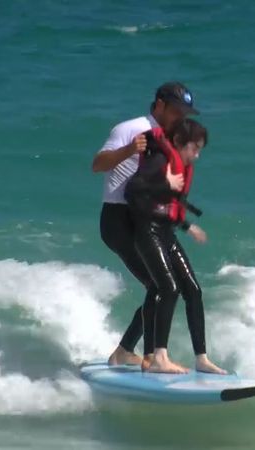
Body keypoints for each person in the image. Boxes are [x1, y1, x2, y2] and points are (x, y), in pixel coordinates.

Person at [92, 82, 199, 366]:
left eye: (185, 113)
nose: (181, 117)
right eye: (176, 111)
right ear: (160, 105)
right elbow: (98, 164)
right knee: (160, 285)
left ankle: (129, 351)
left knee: (165, 286)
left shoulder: (172, 138)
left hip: (148, 220)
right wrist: (129, 150)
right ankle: (147, 356)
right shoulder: (130, 128)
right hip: (118, 218)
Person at [124, 118, 226, 374]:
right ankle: (159, 357)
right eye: (194, 148)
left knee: (192, 290)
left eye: (200, 149)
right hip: (147, 233)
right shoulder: (159, 160)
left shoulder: (178, 163)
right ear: (179, 143)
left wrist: (187, 226)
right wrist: (164, 184)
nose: (197, 155)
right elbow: (133, 190)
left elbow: (168, 207)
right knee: (168, 289)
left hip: (165, 233)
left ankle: (201, 359)